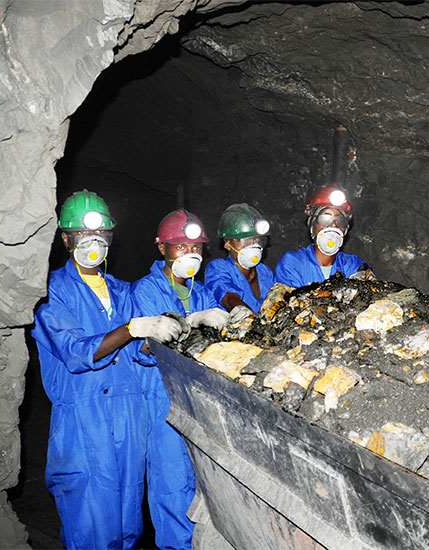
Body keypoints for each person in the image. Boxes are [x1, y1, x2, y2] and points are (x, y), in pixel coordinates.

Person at [32, 190, 186, 549]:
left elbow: (139, 354)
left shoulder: (122, 291)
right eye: (84, 236)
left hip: (129, 417)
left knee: (126, 527)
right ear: (66, 238)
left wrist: (169, 331)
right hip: (85, 421)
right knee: (92, 526)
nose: (93, 244)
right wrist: (132, 329)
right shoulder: (52, 291)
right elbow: (74, 352)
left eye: (101, 236)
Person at [129, 208, 228, 550]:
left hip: (202, 405)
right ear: (162, 249)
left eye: (197, 247)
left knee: (205, 493)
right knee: (172, 491)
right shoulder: (146, 290)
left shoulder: (202, 293)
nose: (190, 254)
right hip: (163, 405)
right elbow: (148, 346)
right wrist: (193, 320)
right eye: (181, 246)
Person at [275, 183, 372, 287]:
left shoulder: (353, 264)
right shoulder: (292, 263)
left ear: (346, 229)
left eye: (340, 220)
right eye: (325, 218)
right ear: (312, 224)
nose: (333, 225)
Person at [204, 203, 274, 321]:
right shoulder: (218, 268)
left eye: (258, 239)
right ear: (227, 243)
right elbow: (228, 298)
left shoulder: (264, 272)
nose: (254, 245)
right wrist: (241, 310)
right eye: (245, 240)